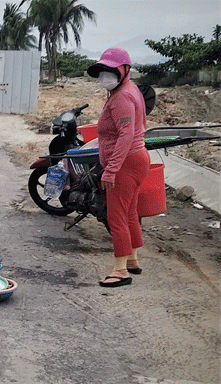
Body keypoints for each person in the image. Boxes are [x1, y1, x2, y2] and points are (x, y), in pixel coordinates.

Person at [86, 47, 150, 288]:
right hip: (135, 159)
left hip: (125, 162)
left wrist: (111, 170)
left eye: (110, 71)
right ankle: (132, 259)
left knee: (117, 216)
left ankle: (120, 270)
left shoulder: (122, 96)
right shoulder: (127, 90)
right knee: (130, 211)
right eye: (102, 71)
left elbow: (126, 135)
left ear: (124, 71)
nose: (105, 76)